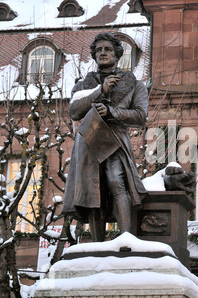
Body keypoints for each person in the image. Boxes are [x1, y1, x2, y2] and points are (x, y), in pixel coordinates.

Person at [62, 32, 148, 241]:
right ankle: (97, 242)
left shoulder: (134, 84)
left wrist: (112, 112)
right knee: (93, 192)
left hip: (115, 141)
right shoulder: (84, 84)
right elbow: (73, 111)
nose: (103, 53)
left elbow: (140, 116)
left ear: (117, 54)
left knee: (115, 181)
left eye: (108, 49)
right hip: (89, 142)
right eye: (99, 50)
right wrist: (100, 91)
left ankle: (126, 237)